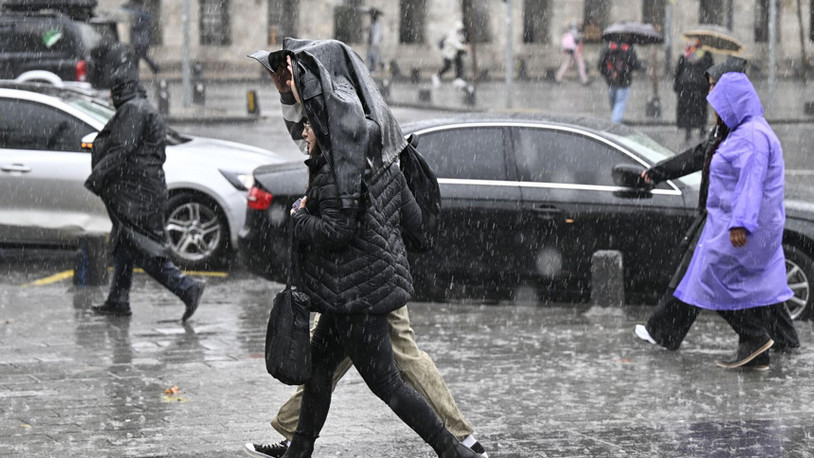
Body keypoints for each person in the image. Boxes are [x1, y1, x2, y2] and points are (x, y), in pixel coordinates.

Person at [245, 40, 485, 458]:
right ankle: (297, 445)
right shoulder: (364, 133)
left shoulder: (345, 147)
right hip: (360, 280)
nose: (303, 130)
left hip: (360, 285)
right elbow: (410, 222)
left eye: (306, 78)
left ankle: (455, 444)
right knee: (323, 370)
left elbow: (337, 227)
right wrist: (288, 89)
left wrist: (302, 216)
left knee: (392, 374)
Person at [633, 56, 799, 358]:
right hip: (719, 217)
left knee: (706, 277)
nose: (711, 99)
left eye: (714, 89)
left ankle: (754, 339)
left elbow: (750, 182)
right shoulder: (730, 128)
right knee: (745, 283)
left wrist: (741, 222)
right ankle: (776, 343)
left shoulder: (747, 134)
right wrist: (657, 172)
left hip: (730, 222)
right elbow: (698, 156)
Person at [84, 43, 205, 322]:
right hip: (141, 190)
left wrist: (98, 176)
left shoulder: (133, 110)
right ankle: (118, 300)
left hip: (137, 194)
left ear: (120, 90)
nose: (111, 96)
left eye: (113, 91)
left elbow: (121, 149)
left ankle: (187, 288)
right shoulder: (141, 107)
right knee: (127, 244)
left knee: (145, 248)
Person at [674, 38, 713, 142]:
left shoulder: (685, 55)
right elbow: (710, 70)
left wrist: (677, 86)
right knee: (701, 108)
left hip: (685, 86)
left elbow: (678, 71)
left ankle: (688, 131)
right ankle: (702, 129)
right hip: (700, 86)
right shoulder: (705, 55)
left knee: (688, 109)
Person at [598, 38, 641, 123]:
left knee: (615, 106)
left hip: (611, 82)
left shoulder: (608, 48)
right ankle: (615, 124)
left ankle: (616, 122)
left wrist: (609, 74)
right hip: (624, 82)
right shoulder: (628, 49)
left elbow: (600, 66)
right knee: (620, 104)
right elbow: (635, 64)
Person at [125, 1, 160, 74]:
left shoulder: (142, 19)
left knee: (141, 56)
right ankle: (152, 68)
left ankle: (155, 68)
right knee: (138, 57)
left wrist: (132, 27)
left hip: (141, 42)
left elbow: (138, 28)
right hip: (139, 41)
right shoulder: (141, 18)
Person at [432, 21, 469, 89]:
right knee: (447, 67)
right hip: (447, 54)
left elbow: (461, 41)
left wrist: (464, 46)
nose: (460, 31)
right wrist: (464, 47)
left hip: (454, 54)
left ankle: (458, 79)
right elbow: (456, 44)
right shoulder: (452, 34)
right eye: (459, 29)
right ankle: (437, 76)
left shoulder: (460, 35)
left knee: (459, 64)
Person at [554, 20, 590, 85]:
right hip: (575, 51)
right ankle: (585, 80)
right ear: (575, 26)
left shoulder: (567, 33)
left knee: (566, 64)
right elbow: (578, 40)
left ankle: (558, 77)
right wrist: (582, 38)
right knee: (581, 65)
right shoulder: (575, 32)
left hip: (568, 51)